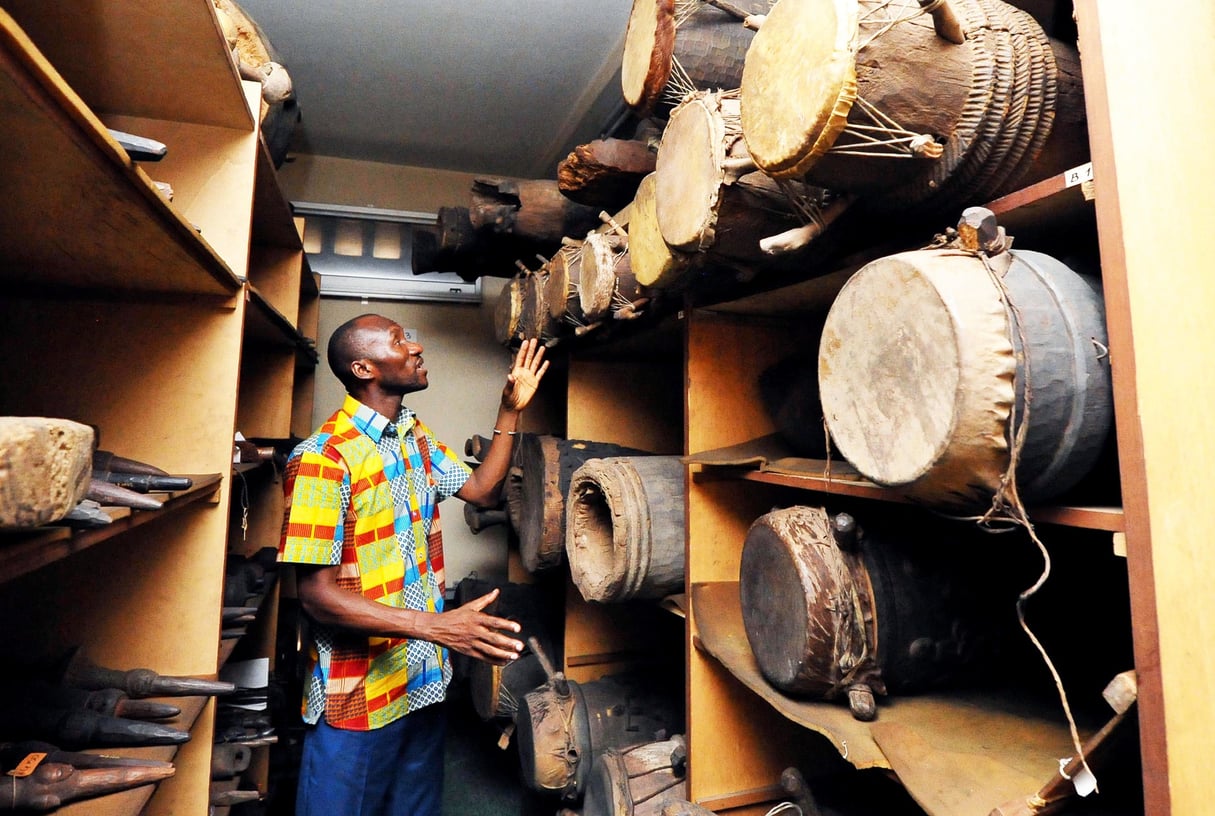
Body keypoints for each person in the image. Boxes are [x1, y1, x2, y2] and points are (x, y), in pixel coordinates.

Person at [278, 313, 549, 816]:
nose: (417, 347)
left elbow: (481, 489)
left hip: (421, 681)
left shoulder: (412, 435)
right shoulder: (322, 458)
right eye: (400, 341)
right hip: (358, 694)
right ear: (364, 367)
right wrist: (439, 627)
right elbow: (316, 596)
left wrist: (508, 412)